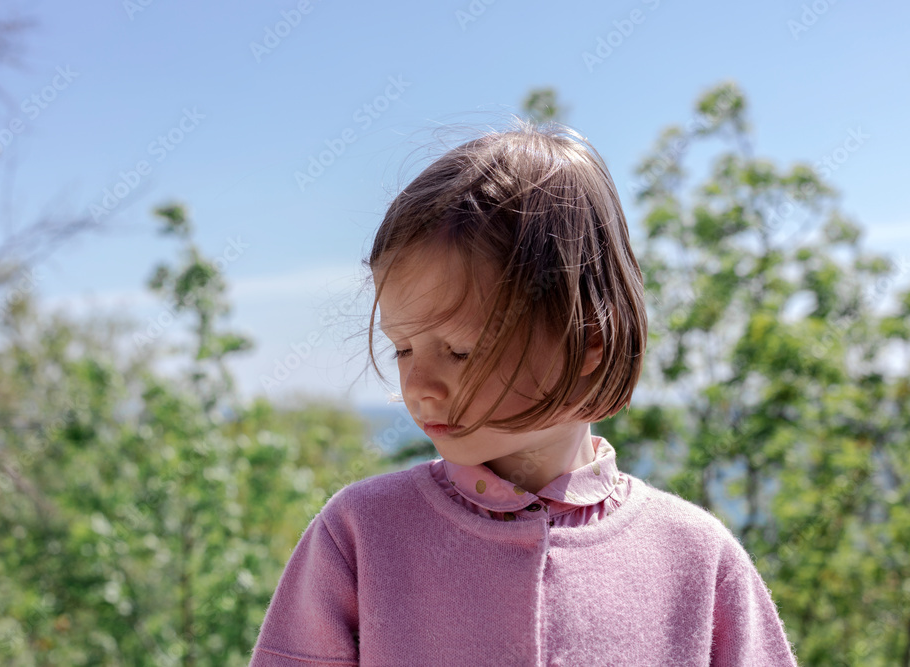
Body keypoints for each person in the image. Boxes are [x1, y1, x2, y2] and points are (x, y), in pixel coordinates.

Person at [249, 118, 799, 666]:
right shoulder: (360, 536)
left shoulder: (697, 558)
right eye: (403, 349)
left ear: (588, 340)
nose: (418, 388)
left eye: (461, 351)